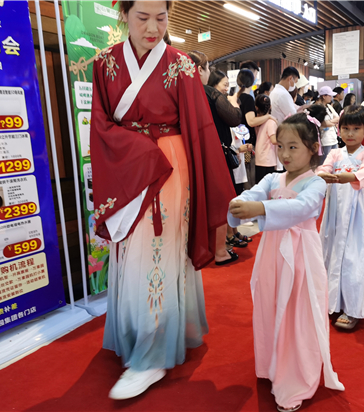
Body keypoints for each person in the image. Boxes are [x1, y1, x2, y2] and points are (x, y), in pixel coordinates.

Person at [90, 1, 235, 400]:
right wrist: (137, 152)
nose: (153, 27)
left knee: (158, 251)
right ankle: (135, 333)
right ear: (124, 14)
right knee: (129, 251)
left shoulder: (180, 64)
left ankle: (152, 353)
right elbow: (100, 123)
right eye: (142, 17)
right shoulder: (105, 63)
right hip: (126, 164)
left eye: (161, 17)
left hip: (169, 166)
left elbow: (199, 127)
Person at [227, 112, 345, 412]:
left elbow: (301, 208)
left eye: (293, 147)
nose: (285, 154)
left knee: (297, 313)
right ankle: (272, 364)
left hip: (301, 255)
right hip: (271, 253)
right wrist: (238, 204)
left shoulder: (315, 183)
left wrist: (260, 208)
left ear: (313, 148)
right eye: (281, 146)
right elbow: (253, 194)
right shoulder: (272, 178)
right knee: (269, 303)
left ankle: (295, 379)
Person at [316, 105, 364, 330]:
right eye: (346, 128)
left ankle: (353, 308)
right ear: (339, 130)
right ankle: (330, 302)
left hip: (357, 216)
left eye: (356, 128)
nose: (350, 133)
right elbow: (323, 169)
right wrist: (322, 175)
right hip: (334, 215)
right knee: (331, 252)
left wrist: (349, 177)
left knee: (354, 255)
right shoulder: (335, 153)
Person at [189, 51, 245, 265]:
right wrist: (234, 103)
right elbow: (234, 118)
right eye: (207, 69)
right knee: (220, 200)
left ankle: (202, 247)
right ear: (199, 69)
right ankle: (220, 251)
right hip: (214, 153)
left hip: (188, 154)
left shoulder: (180, 92)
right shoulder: (209, 92)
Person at [238, 69, 276, 189]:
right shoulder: (248, 98)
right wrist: (268, 116)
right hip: (249, 146)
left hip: (240, 143)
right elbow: (251, 121)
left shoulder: (237, 97)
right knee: (252, 180)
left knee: (245, 178)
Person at [254, 94, 278, 184]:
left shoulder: (256, 121)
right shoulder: (271, 122)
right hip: (268, 160)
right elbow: (274, 140)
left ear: (256, 107)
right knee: (268, 186)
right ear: (270, 106)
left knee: (260, 185)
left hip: (259, 158)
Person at [316, 86, 339, 163]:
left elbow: (338, 118)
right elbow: (323, 123)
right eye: (329, 95)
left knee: (334, 161)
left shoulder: (329, 106)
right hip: (325, 139)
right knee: (325, 162)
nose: (331, 97)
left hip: (333, 137)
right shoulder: (318, 107)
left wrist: (329, 122)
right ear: (324, 96)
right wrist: (332, 122)